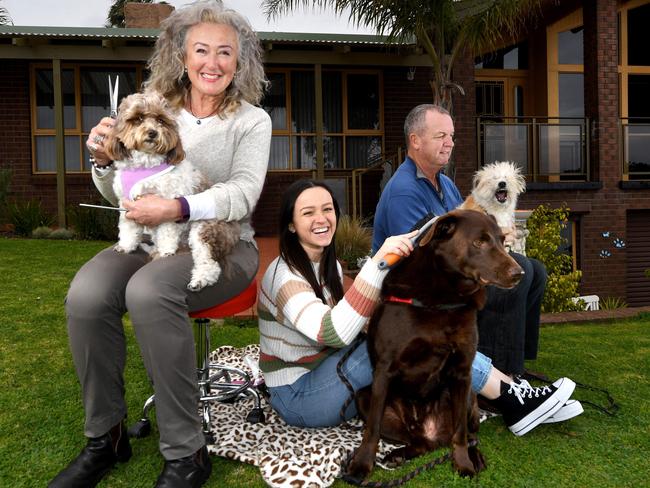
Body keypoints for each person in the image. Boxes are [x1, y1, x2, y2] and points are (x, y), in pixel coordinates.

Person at [49, 2, 271, 487]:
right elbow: (124, 194)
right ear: (181, 54)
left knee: (149, 292)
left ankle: (186, 451)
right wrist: (105, 162)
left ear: (241, 61)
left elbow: (243, 194)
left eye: (225, 52)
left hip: (224, 244)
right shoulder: (153, 106)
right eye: (201, 50)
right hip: (149, 238)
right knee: (87, 295)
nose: (212, 62)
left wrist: (178, 209)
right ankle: (105, 437)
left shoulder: (252, 121)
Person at [372, 104, 583, 435]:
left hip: (446, 283)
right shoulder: (403, 191)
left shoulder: (446, 185)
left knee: (535, 271)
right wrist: (482, 271)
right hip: (415, 299)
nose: (450, 143)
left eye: (452, 136)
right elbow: (418, 261)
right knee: (515, 274)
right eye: (440, 135)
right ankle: (503, 389)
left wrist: (498, 241)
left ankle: (515, 371)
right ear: (415, 141)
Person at [258, 179, 417, 427]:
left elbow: (354, 319)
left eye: (327, 209)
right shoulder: (284, 277)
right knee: (405, 340)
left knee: (407, 332)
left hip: (325, 369)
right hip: (298, 396)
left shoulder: (327, 265)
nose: (321, 219)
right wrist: (376, 266)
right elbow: (333, 333)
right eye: (308, 213)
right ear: (291, 224)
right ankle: (496, 388)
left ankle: (480, 383)